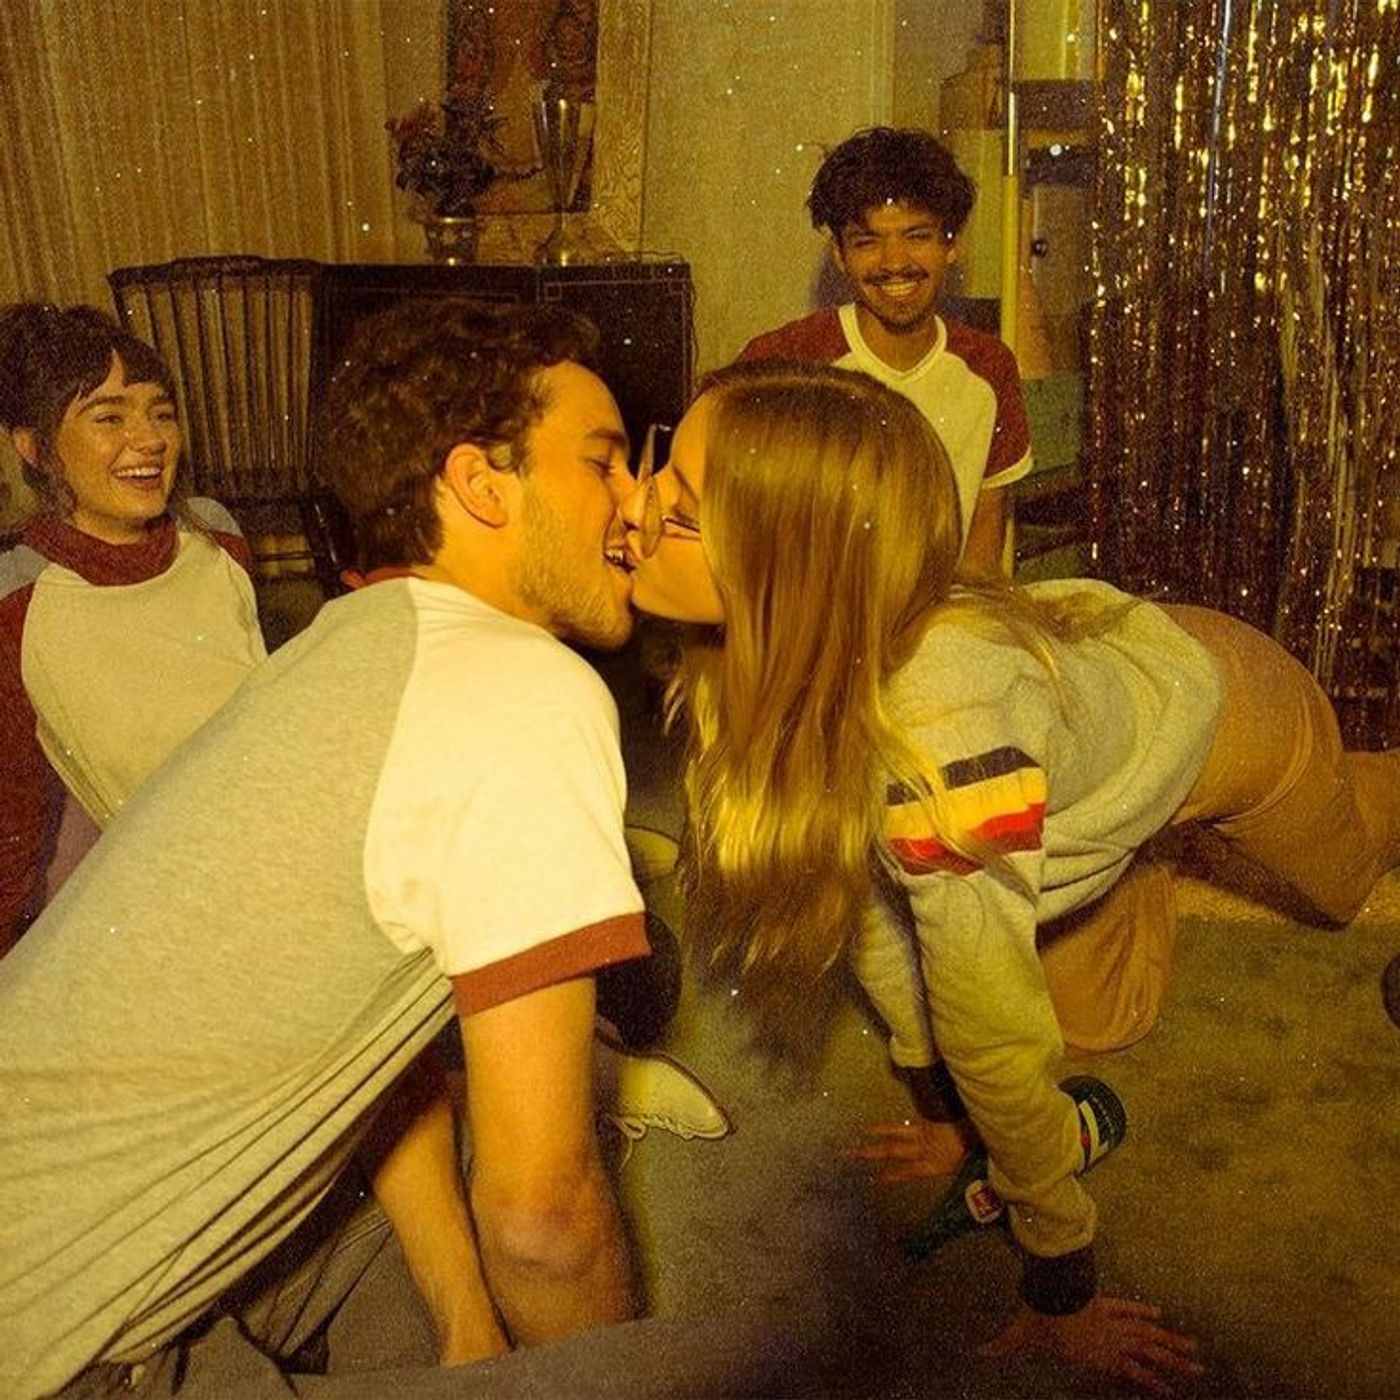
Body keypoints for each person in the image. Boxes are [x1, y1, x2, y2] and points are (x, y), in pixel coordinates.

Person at [618, 359, 1400, 1394]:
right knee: (1104, 1020)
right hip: (1092, 701)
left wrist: (1061, 1280)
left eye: (677, 509)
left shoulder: (944, 751)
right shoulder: (822, 654)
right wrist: (941, 1113)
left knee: (1347, 879)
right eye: (658, 473)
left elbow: (991, 1031)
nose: (630, 510)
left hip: (1241, 710)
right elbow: (871, 918)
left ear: (783, 569)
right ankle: (1131, 837)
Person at [0, 301, 725, 1398]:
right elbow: (543, 1224)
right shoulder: (521, 689)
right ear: (482, 485)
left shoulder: (343, 638)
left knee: (494, 1135)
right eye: (603, 461)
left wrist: (466, 1318)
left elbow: (374, 1038)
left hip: (85, 1228)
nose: (635, 502)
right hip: (64, 1357)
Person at [0, 303, 266, 955]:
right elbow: (14, 809)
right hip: (182, 905)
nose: (150, 440)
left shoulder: (218, 540)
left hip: (285, 842)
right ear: (33, 447)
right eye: (110, 418)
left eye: (161, 413)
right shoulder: (20, 601)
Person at [737, 126, 1032, 576]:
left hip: (946, 615)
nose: (895, 262)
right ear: (840, 254)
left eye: (917, 236)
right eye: (867, 242)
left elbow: (983, 546)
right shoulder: (782, 362)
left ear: (952, 244)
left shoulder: (989, 367)